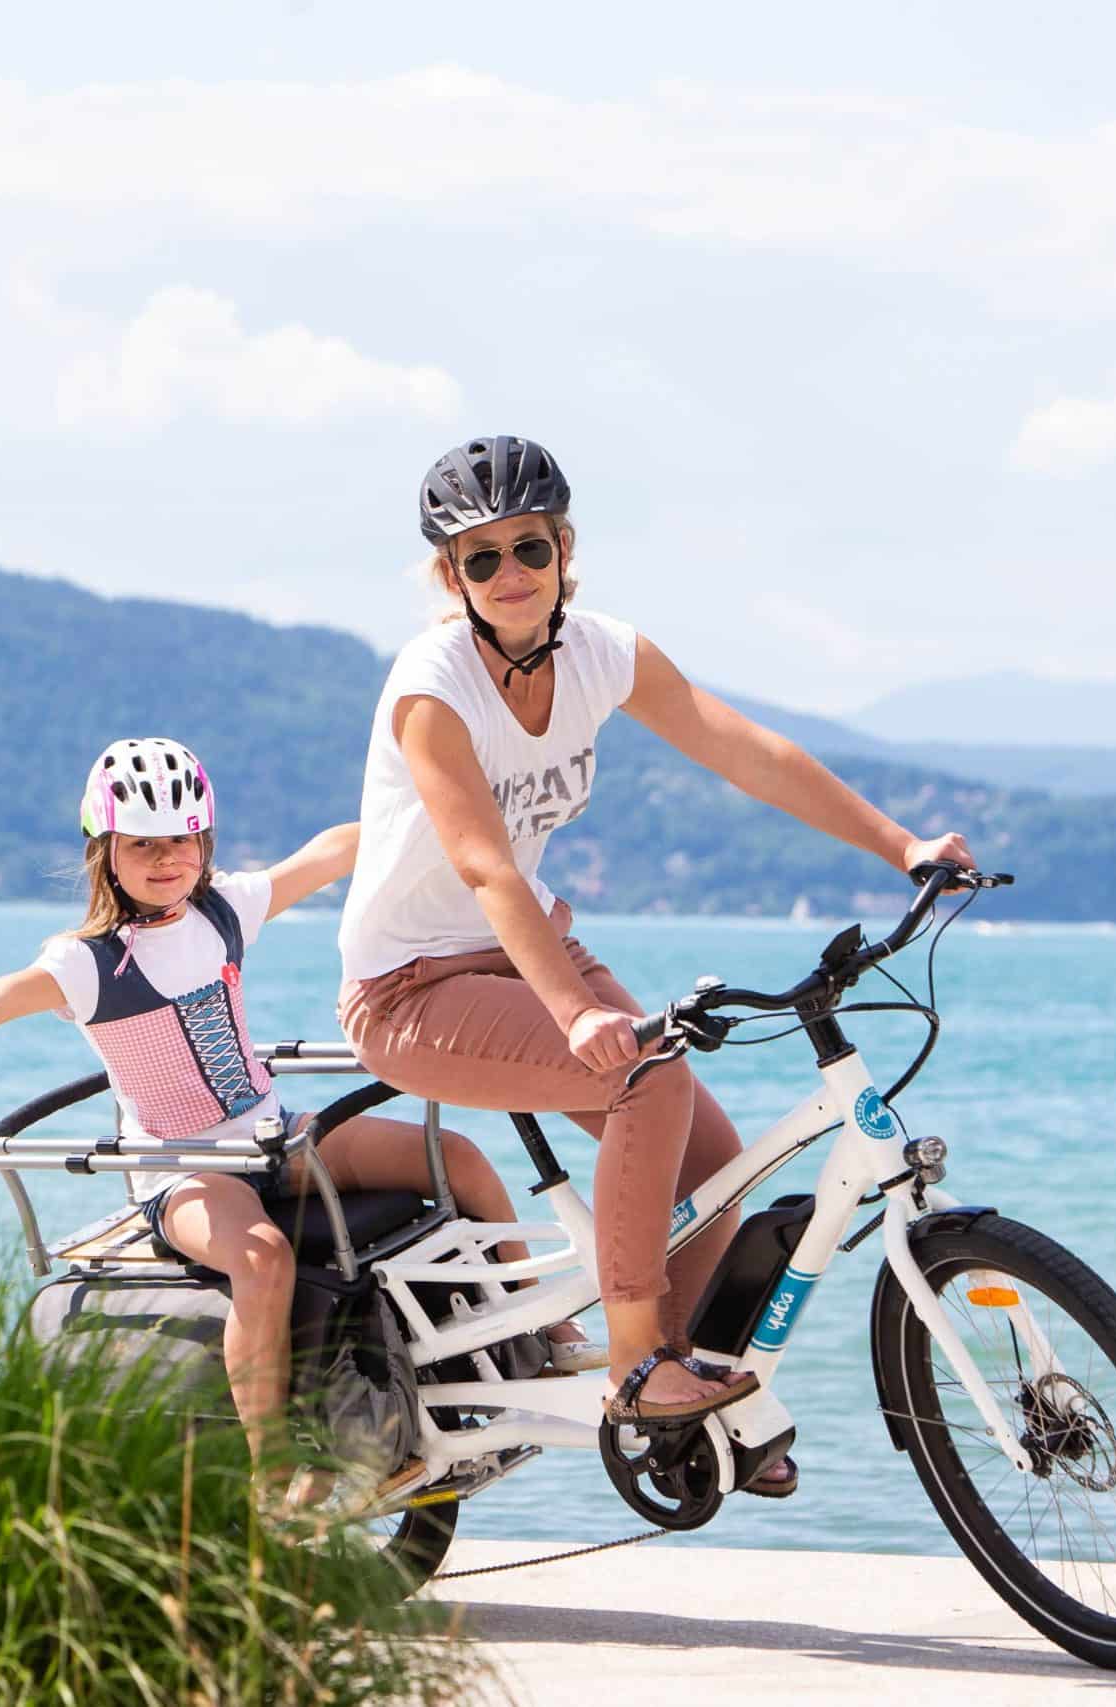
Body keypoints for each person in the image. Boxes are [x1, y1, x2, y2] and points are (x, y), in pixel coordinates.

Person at [336, 437, 973, 1494]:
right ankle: (637, 1368)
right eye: (480, 558)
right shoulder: (432, 687)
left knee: (713, 1164)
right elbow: (485, 865)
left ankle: (692, 1418)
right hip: (409, 988)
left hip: (527, 953)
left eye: (528, 547)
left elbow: (746, 751)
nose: (509, 572)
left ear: (564, 547)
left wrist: (900, 844)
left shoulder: (601, 653)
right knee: (646, 1079)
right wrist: (574, 1012)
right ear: (451, 577)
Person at [0, 736, 596, 1503]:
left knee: (458, 1158)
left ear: (203, 839)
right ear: (105, 849)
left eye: (180, 839)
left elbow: (326, 853)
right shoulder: (87, 961)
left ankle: (542, 1336)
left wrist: (429, 810)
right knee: (261, 1257)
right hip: (181, 1171)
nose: (165, 857)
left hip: (272, 1135)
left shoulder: (224, 910)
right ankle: (273, 1466)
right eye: (142, 844)